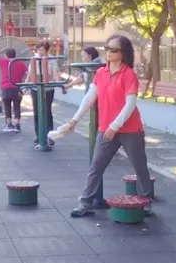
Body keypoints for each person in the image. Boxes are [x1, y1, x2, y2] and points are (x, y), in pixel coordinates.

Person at [66, 35, 153, 218]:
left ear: (123, 54)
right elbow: (89, 98)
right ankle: (86, 203)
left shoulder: (128, 74)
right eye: (107, 48)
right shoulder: (100, 73)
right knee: (96, 166)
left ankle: (145, 201)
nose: (108, 52)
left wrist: (115, 126)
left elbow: (129, 105)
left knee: (139, 166)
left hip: (129, 129)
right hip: (106, 128)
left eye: (113, 49)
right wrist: (74, 120)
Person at [24, 41, 65, 146]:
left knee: (47, 112)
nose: (40, 52)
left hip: (48, 88)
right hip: (36, 88)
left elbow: (55, 73)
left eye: (42, 49)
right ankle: (38, 135)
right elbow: (29, 73)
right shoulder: (34, 59)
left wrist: (60, 84)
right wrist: (25, 86)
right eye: (38, 49)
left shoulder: (51, 59)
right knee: (37, 112)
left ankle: (50, 135)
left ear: (47, 50)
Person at [0, 46, 28, 132]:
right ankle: (17, 125)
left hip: (6, 87)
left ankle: (9, 125)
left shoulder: (4, 62)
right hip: (17, 87)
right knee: (17, 107)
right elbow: (27, 73)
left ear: (6, 55)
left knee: (7, 106)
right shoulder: (20, 63)